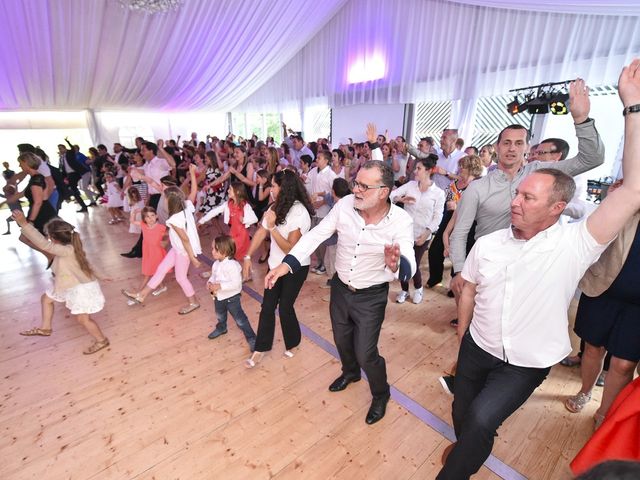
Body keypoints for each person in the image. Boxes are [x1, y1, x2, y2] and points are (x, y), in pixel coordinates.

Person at [437, 59, 640, 479]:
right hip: (477, 347)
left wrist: (631, 109)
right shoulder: (489, 242)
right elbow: (469, 288)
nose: (516, 200)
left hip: (525, 362)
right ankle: (467, 451)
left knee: (480, 420)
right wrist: (462, 336)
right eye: (517, 195)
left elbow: (634, 189)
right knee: (463, 413)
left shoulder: (574, 242)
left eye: (528, 198)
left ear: (557, 208)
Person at [264, 124, 416, 425]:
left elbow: (408, 265)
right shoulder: (345, 205)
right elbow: (317, 234)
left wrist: (396, 263)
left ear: (384, 192)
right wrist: (286, 264)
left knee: (366, 351)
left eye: (363, 186)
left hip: (371, 296)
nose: (355, 189)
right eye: (356, 182)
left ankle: (380, 393)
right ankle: (349, 373)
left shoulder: (400, 221)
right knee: (342, 340)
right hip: (341, 290)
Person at [449, 78, 605, 298]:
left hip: (532, 265)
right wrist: (459, 270)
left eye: (519, 143)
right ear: (496, 147)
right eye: (506, 143)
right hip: (489, 265)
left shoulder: (541, 173)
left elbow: (592, 159)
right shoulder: (478, 187)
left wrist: (581, 119)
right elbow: (460, 233)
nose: (512, 149)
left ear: (527, 146)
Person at [242, 169, 315, 368]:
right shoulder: (275, 207)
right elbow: (260, 232)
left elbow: (291, 249)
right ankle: (261, 347)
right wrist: (248, 256)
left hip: (295, 267)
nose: (270, 188)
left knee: (285, 307)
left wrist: (273, 228)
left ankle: (293, 341)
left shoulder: (299, 212)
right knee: (267, 307)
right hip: (274, 266)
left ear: (284, 188)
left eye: (273, 185)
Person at [14, 213, 109, 355]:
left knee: (83, 320)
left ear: (54, 238)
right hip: (68, 284)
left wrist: (25, 224)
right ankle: (46, 328)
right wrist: (102, 276)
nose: (48, 239)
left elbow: (44, 245)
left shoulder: (66, 250)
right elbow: (87, 265)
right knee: (46, 299)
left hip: (81, 289)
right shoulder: (71, 248)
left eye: (48, 236)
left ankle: (101, 340)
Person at [123, 165, 202, 315]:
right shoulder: (187, 206)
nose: (162, 199)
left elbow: (184, 239)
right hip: (178, 249)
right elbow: (193, 192)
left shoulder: (173, 219)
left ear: (169, 202)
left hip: (184, 251)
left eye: (164, 198)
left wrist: (193, 258)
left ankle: (194, 302)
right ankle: (141, 295)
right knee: (160, 269)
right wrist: (192, 173)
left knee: (180, 278)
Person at [390, 154, 445, 304]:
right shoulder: (410, 186)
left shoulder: (439, 194)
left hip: (423, 234)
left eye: (419, 168)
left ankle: (419, 288)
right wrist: (400, 199)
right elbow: (391, 195)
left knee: (413, 262)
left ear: (428, 171)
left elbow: (437, 217)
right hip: (405, 233)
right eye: (415, 168)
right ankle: (404, 290)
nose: (415, 171)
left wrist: (427, 232)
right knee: (403, 262)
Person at [206, 235, 257, 352]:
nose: (212, 251)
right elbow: (213, 276)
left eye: (215, 249)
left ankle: (252, 338)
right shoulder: (216, 264)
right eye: (212, 248)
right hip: (218, 296)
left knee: (240, 320)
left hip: (231, 299)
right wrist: (209, 282)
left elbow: (236, 284)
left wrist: (219, 286)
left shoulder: (233, 266)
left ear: (224, 251)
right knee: (220, 315)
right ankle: (222, 328)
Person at [12, 152, 57, 266]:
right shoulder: (35, 178)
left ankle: (52, 258)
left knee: (26, 238)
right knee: (36, 239)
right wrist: (7, 200)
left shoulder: (37, 179)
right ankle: (53, 259)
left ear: (26, 163)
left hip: (41, 213)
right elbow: (27, 193)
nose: (19, 166)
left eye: (20, 163)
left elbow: (38, 202)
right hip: (41, 211)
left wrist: (30, 222)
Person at [198, 181, 258, 261]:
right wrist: (201, 221)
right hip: (232, 234)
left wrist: (244, 220)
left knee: (234, 256)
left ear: (237, 192)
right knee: (232, 256)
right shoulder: (228, 204)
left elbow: (255, 219)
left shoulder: (245, 206)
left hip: (241, 236)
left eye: (230, 189)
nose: (227, 191)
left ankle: (241, 270)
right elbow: (215, 211)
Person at [126, 206, 168, 297]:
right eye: (147, 217)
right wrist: (134, 212)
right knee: (155, 272)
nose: (150, 219)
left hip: (157, 253)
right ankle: (162, 287)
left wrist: (165, 241)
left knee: (148, 273)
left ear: (156, 216)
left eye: (152, 215)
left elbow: (168, 236)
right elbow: (132, 221)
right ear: (144, 219)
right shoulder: (143, 225)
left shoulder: (161, 227)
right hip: (148, 253)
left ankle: (137, 293)